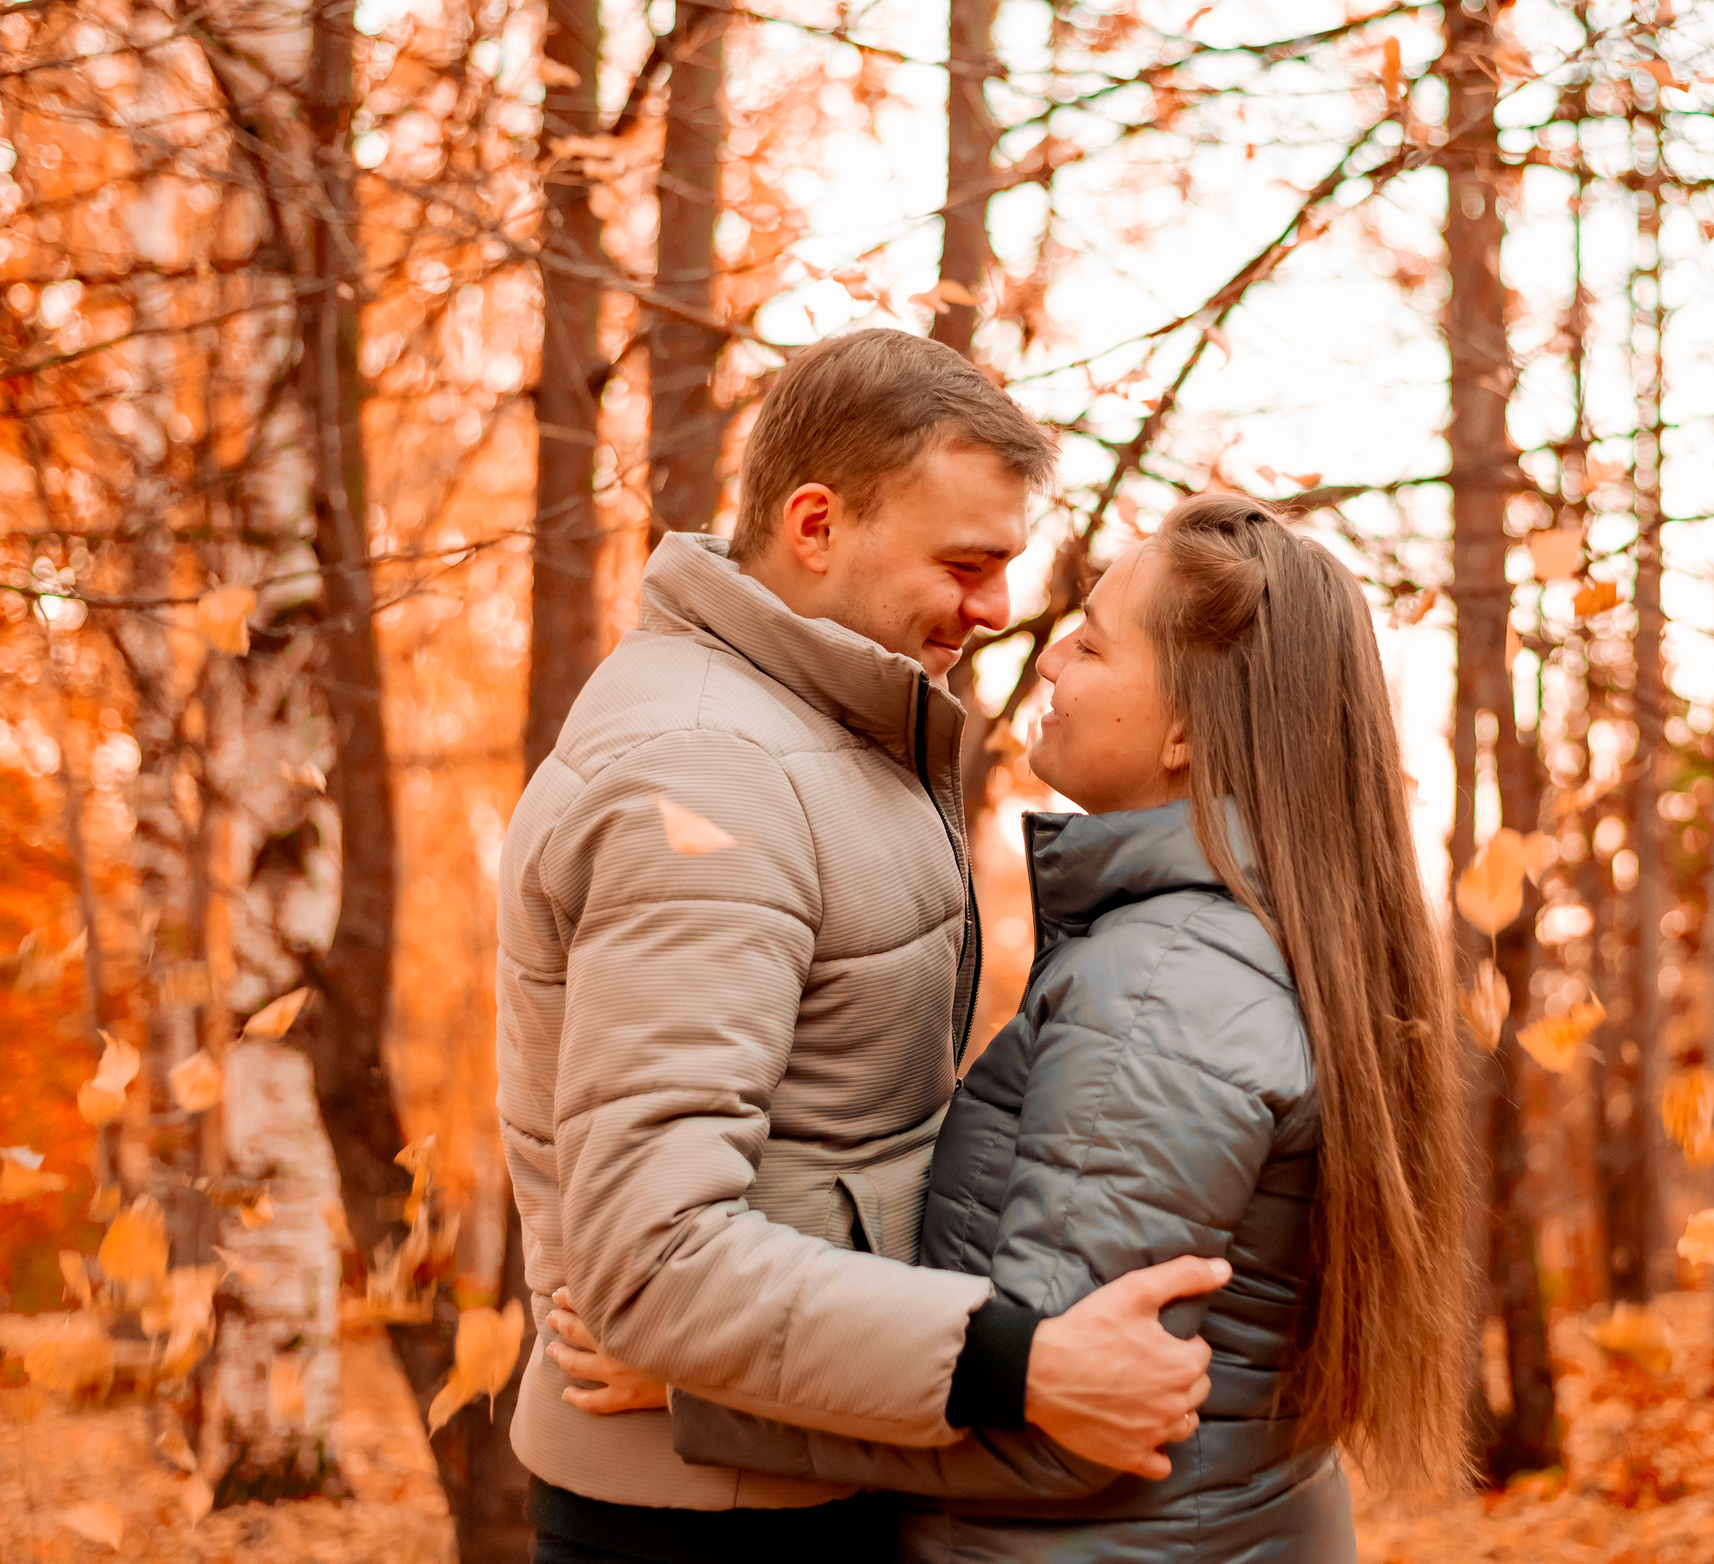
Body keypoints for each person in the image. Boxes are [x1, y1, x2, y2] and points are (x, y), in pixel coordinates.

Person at [549, 493, 1476, 1560]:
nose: (1046, 662)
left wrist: (695, 1390)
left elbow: (1073, 1418)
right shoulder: (1234, 945)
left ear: (1186, 730)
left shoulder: (1160, 991)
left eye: (1089, 643)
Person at [498, 329, 1227, 1564]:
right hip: (705, 1518)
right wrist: (1021, 1360)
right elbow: (653, 1256)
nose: (996, 609)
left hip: (787, 1450)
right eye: (965, 562)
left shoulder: (821, 720)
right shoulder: (709, 779)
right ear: (817, 523)